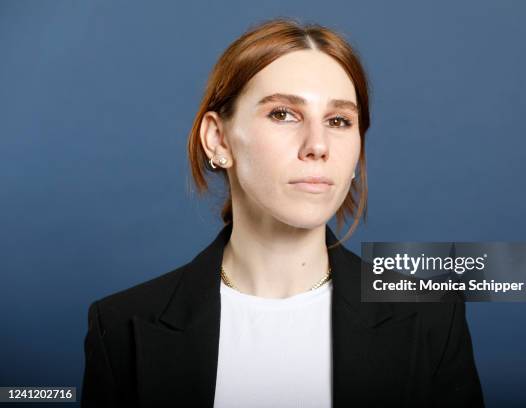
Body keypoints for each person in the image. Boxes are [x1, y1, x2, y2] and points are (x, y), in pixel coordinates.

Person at [81, 17, 484, 407]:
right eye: (282, 114)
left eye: (339, 120)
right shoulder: (120, 326)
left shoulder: (432, 319)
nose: (317, 144)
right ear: (218, 139)